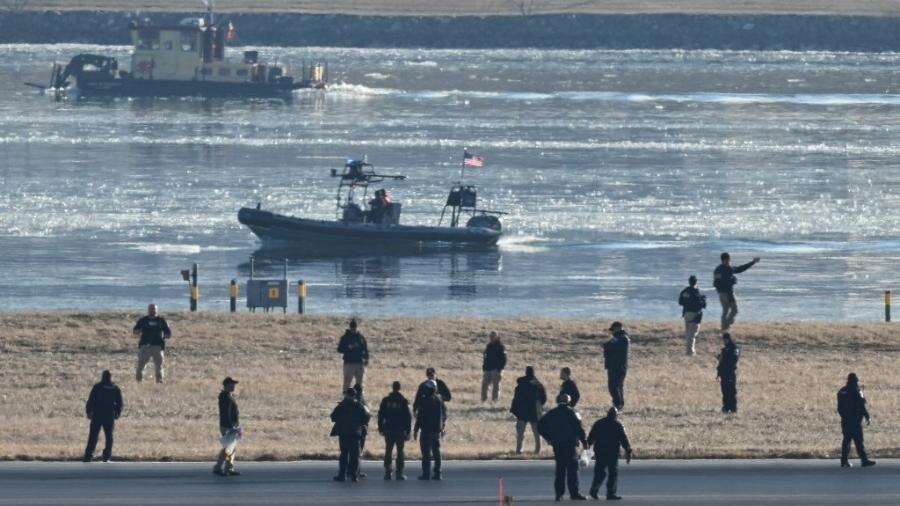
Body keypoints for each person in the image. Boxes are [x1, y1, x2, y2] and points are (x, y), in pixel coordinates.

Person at [537, 393, 588, 501]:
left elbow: (540, 425)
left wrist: (549, 438)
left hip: (558, 444)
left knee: (560, 470)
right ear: (568, 401)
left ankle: (559, 494)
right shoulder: (573, 412)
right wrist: (584, 441)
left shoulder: (552, 413)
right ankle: (574, 493)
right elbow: (580, 427)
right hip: (570, 445)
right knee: (572, 470)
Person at [587, 407, 632, 500]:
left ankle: (594, 490)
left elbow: (591, 437)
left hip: (600, 451)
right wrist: (628, 450)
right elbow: (624, 439)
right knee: (613, 473)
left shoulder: (598, 423)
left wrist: (587, 446)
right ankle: (610, 494)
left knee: (600, 473)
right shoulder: (618, 425)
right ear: (616, 415)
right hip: (612, 452)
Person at [331, 388, 371, 482]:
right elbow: (366, 418)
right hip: (355, 433)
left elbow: (333, 417)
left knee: (344, 454)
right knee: (355, 455)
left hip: (344, 433)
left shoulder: (341, 405)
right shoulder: (360, 406)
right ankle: (353, 475)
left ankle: (342, 475)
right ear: (355, 395)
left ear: (347, 395)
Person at [82, 370, 123, 463]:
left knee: (93, 435)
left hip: (97, 413)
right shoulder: (115, 388)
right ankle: (107, 455)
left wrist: (88, 411)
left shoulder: (97, 387)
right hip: (109, 414)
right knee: (109, 436)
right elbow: (120, 403)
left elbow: (91, 399)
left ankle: (88, 455)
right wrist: (117, 413)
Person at [713, 253, 760, 331]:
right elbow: (740, 269)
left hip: (721, 293)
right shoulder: (728, 268)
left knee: (725, 311)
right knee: (735, 310)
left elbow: (716, 283)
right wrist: (733, 281)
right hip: (728, 293)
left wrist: (752, 262)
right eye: (729, 259)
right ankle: (726, 325)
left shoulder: (717, 269)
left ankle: (723, 327)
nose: (730, 261)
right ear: (725, 260)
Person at [837, 373, 876, 468]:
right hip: (855, 421)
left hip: (845, 421)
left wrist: (844, 417)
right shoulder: (857, 391)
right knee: (859, 441)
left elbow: (839, 408)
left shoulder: (842, 391)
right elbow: (862, 406)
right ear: (855, 381)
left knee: (846, 441)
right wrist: (867, 416)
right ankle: (864, 460)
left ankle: (844, 461)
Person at [378, 381, 412, 480]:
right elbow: (408, 417)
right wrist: (408, 431)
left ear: (392, 388)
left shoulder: (386, 400)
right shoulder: (403, 401)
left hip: (388, 429)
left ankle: (388, 472)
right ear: (399, 388)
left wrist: (380, 428)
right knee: (400, 451)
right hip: (400, 430)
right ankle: (399, 473)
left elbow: (380, 415)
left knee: (388, 450)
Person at [510, 366, 547, 454]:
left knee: (520, 433)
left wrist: (514, 409)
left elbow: (516, 398)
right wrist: (539, 406)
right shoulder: (538, 384)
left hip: (522, 411)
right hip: (534, 412)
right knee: (537, 433)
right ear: (533, 373)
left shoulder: (521, 384)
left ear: (526, 372)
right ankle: (537, 450)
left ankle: (519, 450)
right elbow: (544, 398)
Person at [414, 382, 447, 481]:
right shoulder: (439, 400)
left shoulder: (424, 401)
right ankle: (438, 473)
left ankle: (426, 473)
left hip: (426, 431)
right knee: (436, 453)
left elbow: (419, 417)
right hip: (436, 431)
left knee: (426, 454)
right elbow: (444, 415)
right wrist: (442, 427)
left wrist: (416, 430)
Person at [133, 304, 171, 383]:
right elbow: (135, 331)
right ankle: (138, 382)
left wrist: (166, 336)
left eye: (154, 309)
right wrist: (138, 331)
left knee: (159, 366)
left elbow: (168, 332)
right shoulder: (143, 320)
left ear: (157, 310)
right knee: (141, 366)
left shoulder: (161, 320)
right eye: (151, 309)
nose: (152, 310)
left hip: (158, 347)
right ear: (148, 310)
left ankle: (159, 382)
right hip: (145, 346)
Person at [214, 377, 241, 476]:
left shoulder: (227, 396)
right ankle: (220, 467)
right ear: (226, 386)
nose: (233, 386)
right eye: (231, 384)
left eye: (234, 384)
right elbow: (227, 413)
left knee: (230, 448)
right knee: (228, 448)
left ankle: (228, 467)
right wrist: (232, 427)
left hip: (229, 425)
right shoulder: (225, 397)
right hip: (228, 426)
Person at [603, 322, 630, 410]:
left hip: (619, 367)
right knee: (615, 386)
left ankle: (618, 404)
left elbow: (609, 347)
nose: (612, 332)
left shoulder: (623, 339)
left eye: (613, 330)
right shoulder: (616, 338)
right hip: (613, 366)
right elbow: (606, 346)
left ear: (618, 328)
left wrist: (608, 346)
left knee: (615, 386)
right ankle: (618, 403)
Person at [337, 319, 369, 393]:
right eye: (352, 328)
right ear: (350, 328)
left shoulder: (360, 338)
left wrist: (366, 359)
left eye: (354, 328)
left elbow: (365, 349)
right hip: (349, 363)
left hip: (359, 363)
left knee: (360, 383)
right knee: (347, 382)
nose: (353, 329)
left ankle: (360, 398)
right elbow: (339, 349)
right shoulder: (345, 337)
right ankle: (345, 397)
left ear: (356, 327)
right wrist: (348, 347)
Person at [678, 275, 707, 355]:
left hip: (686, 313)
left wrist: (688, 303)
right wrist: (703, 299)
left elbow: (680, 302)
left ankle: (689, 351)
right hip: (695, 314)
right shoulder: (696, 292)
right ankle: (690, 352)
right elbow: (702, 305)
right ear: (696, 282)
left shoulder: (685, 291)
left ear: (689, 282)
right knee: (692, 335)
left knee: (688, 334)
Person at [716, 333, 740, 413]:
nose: (724, 341)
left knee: (731, 391)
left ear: (729, 339)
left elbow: (734, 359)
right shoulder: (725, 349)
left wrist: (724, 357)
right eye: (724, 340)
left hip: (730, 373)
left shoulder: (734, 348)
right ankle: (726, 407)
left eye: (725, 339)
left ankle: (733, 408)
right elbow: (721, 362)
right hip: (723, 373)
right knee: (724, 391)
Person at [481, 331, 507, 402]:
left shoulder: (501, 346)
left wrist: (499, 369)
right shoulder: (489, 346)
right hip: (488, 369)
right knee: (484, 385)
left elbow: (504, 359)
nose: (491, 338)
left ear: (497, 337)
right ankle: (484, 400)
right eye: (490, 336)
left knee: (496, 386)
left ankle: (495, 401)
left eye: (493, 336)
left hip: (496, 369)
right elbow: (485, 356)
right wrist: (484, 366)